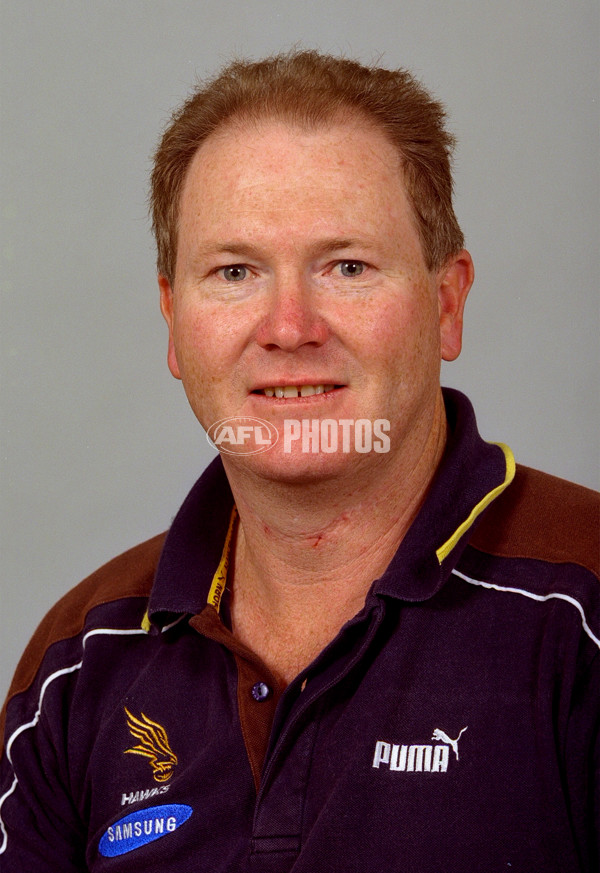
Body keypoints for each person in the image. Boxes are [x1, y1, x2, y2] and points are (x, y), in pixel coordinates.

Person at [0, 50, 598, 873]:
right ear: (174, 320)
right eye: (235, 271)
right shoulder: (77, 665)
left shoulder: (583, 611)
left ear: (447, 303)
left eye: (346, 267)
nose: (289, 326)